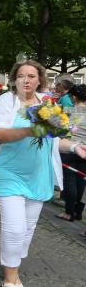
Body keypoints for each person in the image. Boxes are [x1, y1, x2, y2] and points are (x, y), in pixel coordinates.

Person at [0, 60, 86, 287]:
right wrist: (29, 130)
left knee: (27, 228)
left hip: (39, 175)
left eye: (32, 76)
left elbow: (55, 138)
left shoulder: (47, 103)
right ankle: (9, 279)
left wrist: (74, 147)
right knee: (14, 228)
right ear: (14, 79)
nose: (26, 80)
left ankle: (13, 265)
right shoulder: (7, 101)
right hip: (10, 173)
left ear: (40, 80)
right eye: (21, 76)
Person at [56, 84, 86, 221]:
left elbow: (61, 128)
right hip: (85, 151)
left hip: (69, 148)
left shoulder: (69, 110)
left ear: (73, 97)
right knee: (81, 181)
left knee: (70, 180)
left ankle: (69, 213)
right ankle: (78, 212)